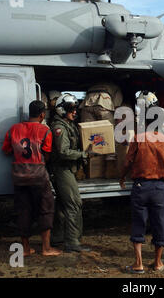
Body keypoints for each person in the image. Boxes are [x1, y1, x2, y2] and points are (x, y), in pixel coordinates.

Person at [119, 104, 164, 274]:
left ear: (144, 121)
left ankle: (138, 264)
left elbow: (127, 162)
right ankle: (158, 262)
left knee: (138, 223)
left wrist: (122, 177)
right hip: (160, 187)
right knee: (160, 224)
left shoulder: (138, 139)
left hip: (141, 186)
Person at [2, 100, 62, 257]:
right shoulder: (45, 131)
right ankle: (46, 248)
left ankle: (26, 249)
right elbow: (47, 155)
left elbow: (6, 150)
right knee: (46, 209)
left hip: (19, 177)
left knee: (23, 211)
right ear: (42, 114)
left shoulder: (13, 129)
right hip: (38, 177)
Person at [49, 93, 98, 253]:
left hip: (67, 169)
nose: (74, 112)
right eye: (71, 109)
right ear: (62, 110)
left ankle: (57, 238)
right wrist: (83, 154)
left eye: (75, 109)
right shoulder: (60, 127)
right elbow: (63, 152)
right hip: (63, 169)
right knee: (74, 204)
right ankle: (72, 241)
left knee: (63, 205)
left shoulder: (67, 124)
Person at [135, 90, 164, 238]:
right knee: (155, 195)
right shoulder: (153, 117)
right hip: (155, 160)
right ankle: (155, 225)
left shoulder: (161, 118)